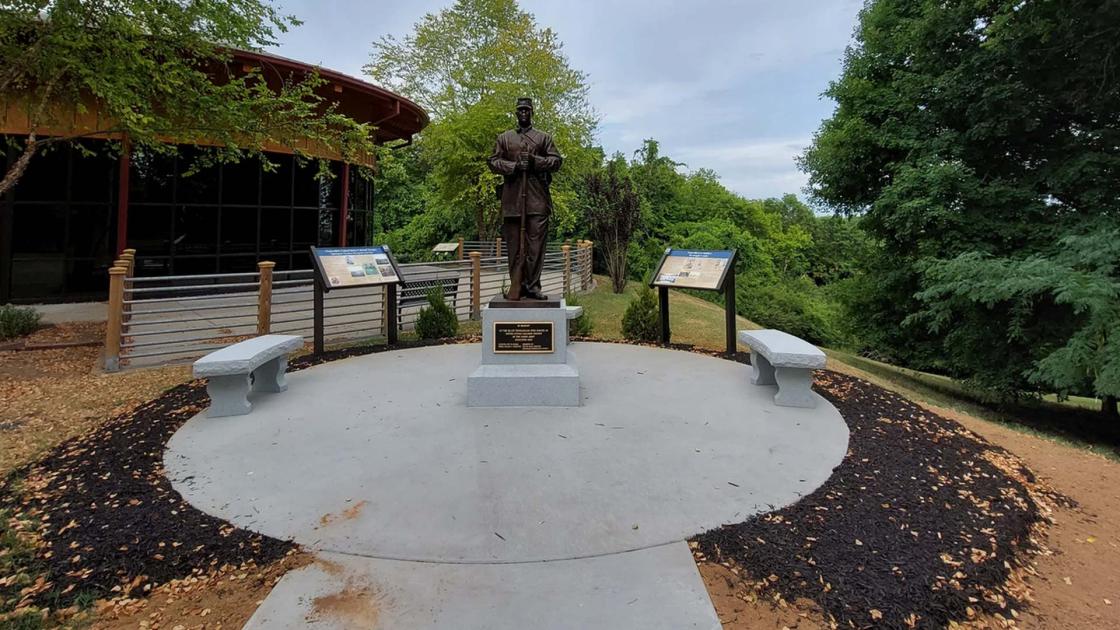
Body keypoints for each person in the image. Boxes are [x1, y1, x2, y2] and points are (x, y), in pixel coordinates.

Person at [487, 97, 563, 300]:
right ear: (515, 113)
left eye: (526, 110)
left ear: (532, 113)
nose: (523, 113)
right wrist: (513, 167)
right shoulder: (504, 138)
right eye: (520, 110)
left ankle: (532, 286)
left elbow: (556, 161)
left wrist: (534, 161)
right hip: (512, 202)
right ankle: (516, 285)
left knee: (536, 248)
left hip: (537, 201)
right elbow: (493, 161)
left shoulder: (543, 138)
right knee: (514, 247)